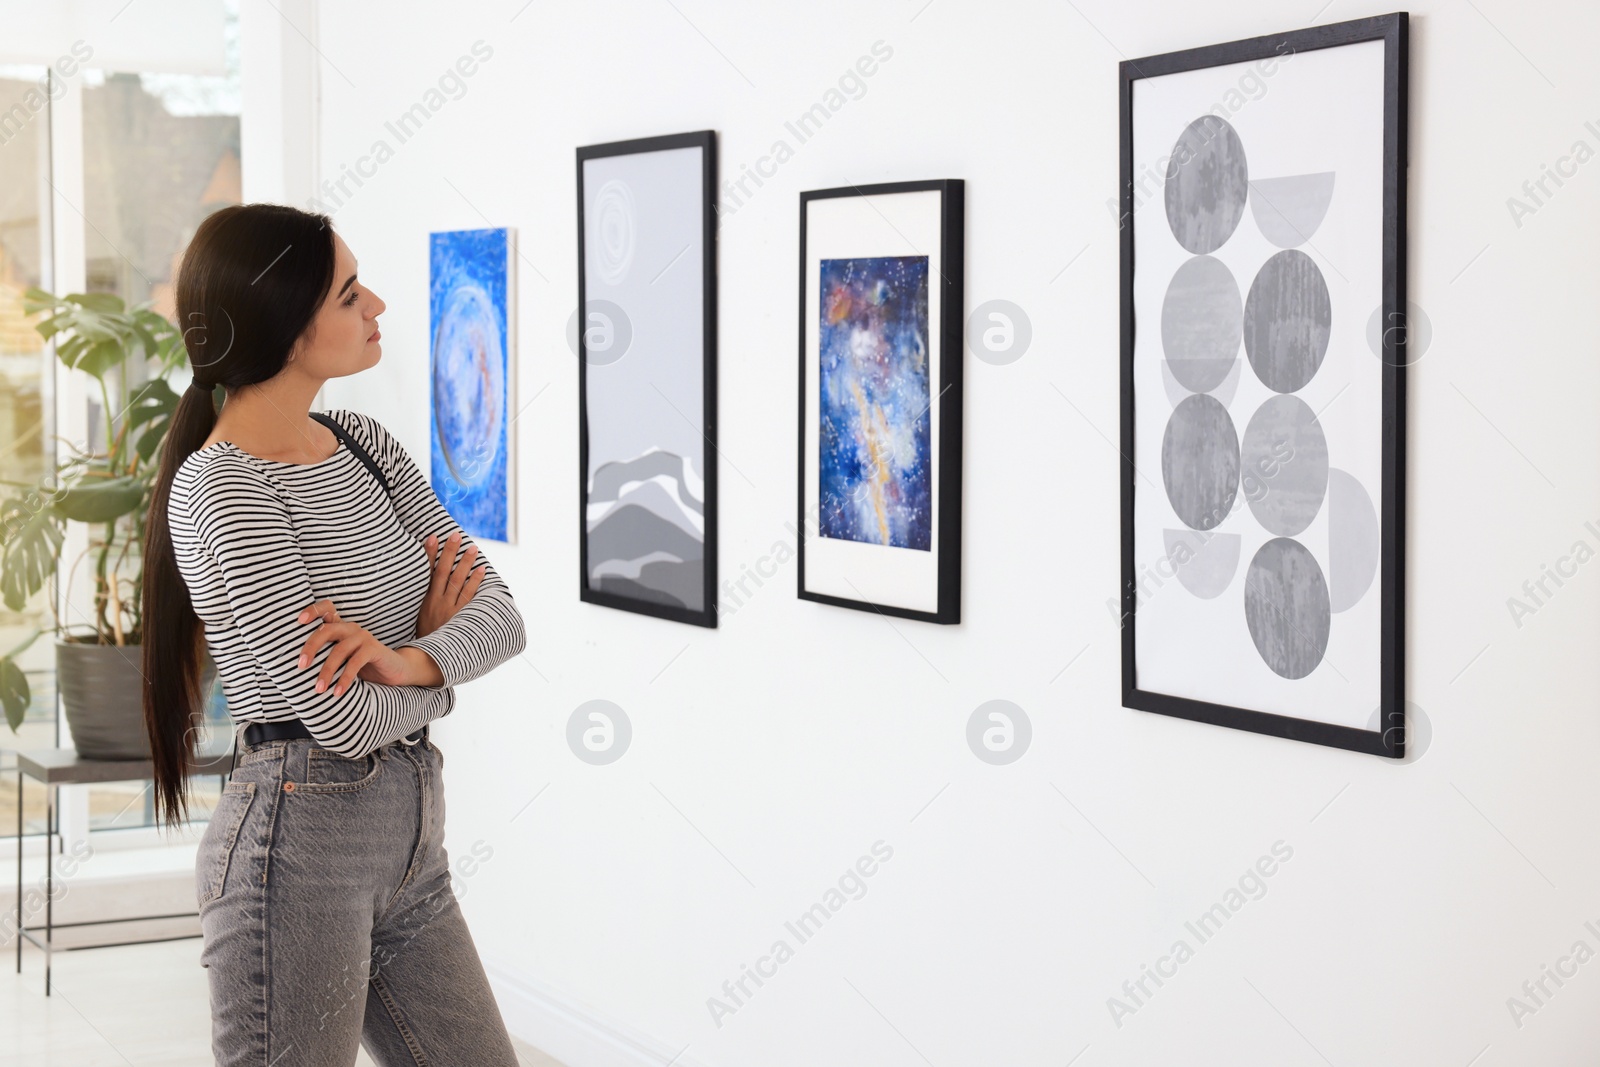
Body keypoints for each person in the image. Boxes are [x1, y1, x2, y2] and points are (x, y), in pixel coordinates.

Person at [140, 202, 527, 1066]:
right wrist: (437, 672)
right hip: (295, 851)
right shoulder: (221, 490)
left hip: (412, 845)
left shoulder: (363, 445)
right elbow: (342, 720)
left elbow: (502, 614)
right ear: (283, 324)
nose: (377, 306)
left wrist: (409, 657)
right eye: (350, 294)